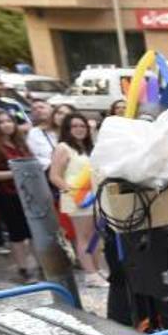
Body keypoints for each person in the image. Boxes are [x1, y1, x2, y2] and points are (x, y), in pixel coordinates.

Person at [0, 109, 38, 282]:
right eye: (1, 122)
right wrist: (19, 171)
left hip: (30, 190)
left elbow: (32, 161)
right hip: (7, 193)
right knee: (17, 232)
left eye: (9, 121)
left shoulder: (19, 141)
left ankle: (42, 264)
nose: (6, 125)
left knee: (34, 230)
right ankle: (23, 268)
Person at [48, 112, 104, 285]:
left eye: (82, 126)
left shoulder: (88, 147)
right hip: (78, 198)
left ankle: (97, 269)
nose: (79, 129)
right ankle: (91, 273)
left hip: (94, 197)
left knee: (96, 236)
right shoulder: (63, 148)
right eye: (75, 126)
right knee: (83, 236)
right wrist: (73, 191)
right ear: (67, 129)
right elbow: (54, 176)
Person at [25, 100, 68, 170]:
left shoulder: (68, 129)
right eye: (34, 109)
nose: (38, 110)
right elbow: (36, 157)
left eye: (41, 107)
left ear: (51, 109)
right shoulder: (34, 133)